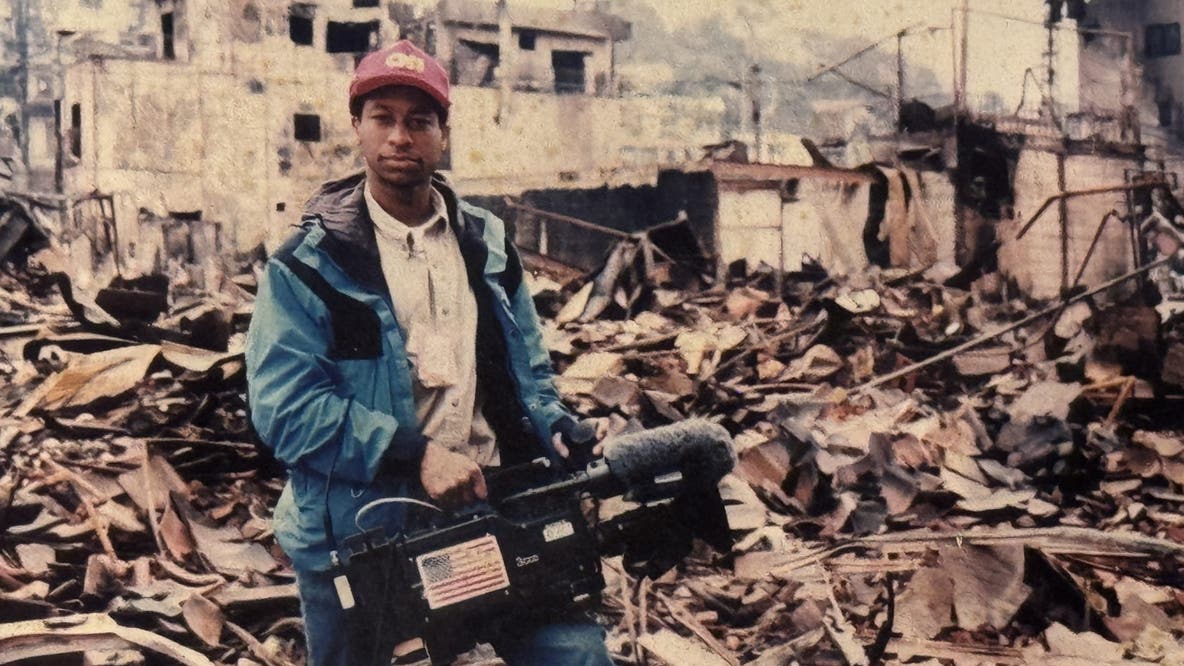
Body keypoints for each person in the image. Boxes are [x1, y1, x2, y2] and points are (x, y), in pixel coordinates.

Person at [245, 40, 613, 666]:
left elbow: (528, 371)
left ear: (443, 133)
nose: (400, 137)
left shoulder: (486, 244)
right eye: (382, 118)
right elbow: (285, 411)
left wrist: (555, 425)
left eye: (419, 120)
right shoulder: (307, 266)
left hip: (488, 509)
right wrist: (415, 456)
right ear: (356, 128)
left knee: (573, 655)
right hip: (361, 531)